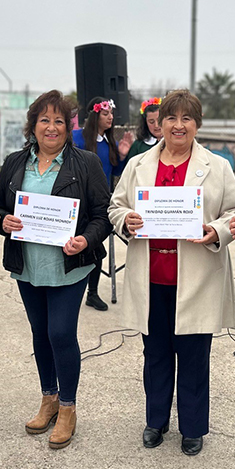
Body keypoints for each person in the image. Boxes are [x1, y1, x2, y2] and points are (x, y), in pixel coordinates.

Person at [109, 90, 235, 456]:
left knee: (194, 357)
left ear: (197, 124)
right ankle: (156, 420)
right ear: (159, 124)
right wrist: (127, 220)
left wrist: (217, 230)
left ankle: (193, 427)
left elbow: (234, 212)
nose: (178, 125)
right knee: (154, 355)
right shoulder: (137, 164)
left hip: (197, 276)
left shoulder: (217, 166)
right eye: (171, 118)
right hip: (151, 276)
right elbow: (116, 206)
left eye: (187, 118)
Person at [0, 90, 111, 449]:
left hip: (69, 266)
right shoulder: (15, 163)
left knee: (61, 334)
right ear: (33, 125)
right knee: (40, 333)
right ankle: (48, 398)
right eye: (44, 119)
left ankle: (68, 407)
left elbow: (101, 215)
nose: (52, 127)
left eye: (59, 120)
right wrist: (4, 222)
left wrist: (85, 240)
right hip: (28, 266)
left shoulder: (85, 162)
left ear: (69, 126)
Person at [72, 97, 134, 311]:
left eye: (111, 115)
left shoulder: (110, 143)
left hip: (99, 203)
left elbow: (117, 172)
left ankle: (93, 292)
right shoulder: (76, 138)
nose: (110, 118)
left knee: (95, 246)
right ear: (94, 115)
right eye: (106, 114)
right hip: (77, 201)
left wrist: (123, 155)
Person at [125, 97, 163, 161]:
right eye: (151, 122)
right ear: (145, 123)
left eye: (159, 120)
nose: (156, 125)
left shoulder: (174, 142)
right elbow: (129, 169)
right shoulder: (138, 146)